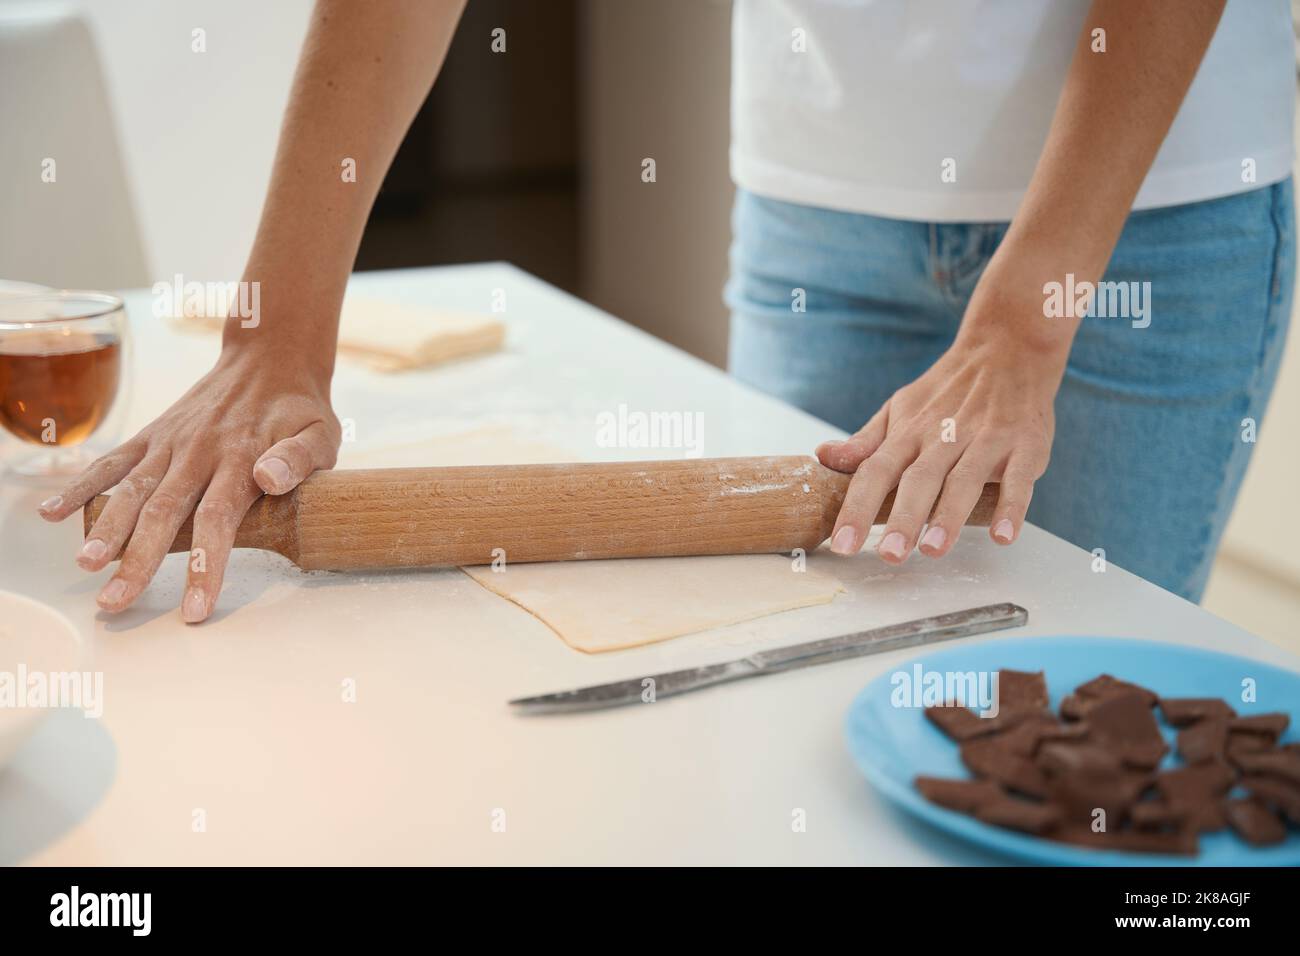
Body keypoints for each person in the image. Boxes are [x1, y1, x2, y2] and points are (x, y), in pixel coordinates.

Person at [37, 0, 1295, 624]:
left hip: (1143, 213)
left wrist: (1024, 323)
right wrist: (275, 336)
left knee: (1080, 718)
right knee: (807, 706)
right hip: (823, 200)